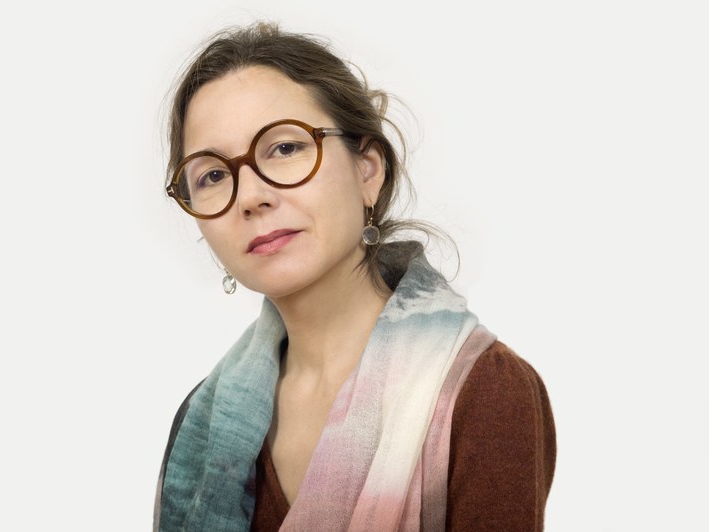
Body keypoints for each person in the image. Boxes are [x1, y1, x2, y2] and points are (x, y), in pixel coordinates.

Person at [153, 21, 556, 532]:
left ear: (367, 170)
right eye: (212, 175)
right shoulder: (203, 419)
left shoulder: (482, 390)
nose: (250, 196)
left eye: (285, 148)